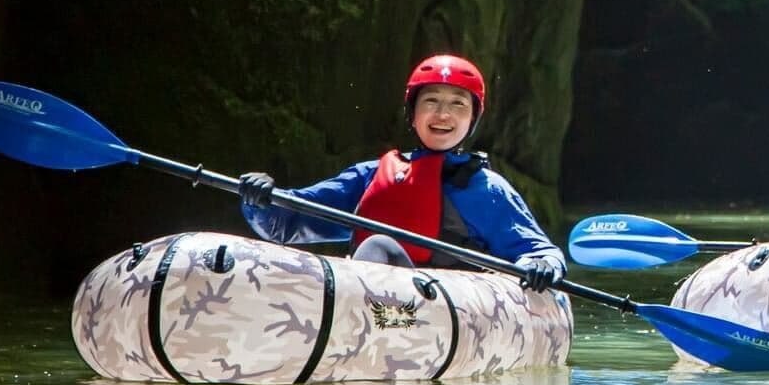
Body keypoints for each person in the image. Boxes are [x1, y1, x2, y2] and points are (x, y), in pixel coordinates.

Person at [236, 54, 565, 292]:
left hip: (451, 313)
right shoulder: (371, 175)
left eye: (457, 104)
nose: (442, 114)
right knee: (379, 247)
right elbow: (287, 223)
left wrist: (541, 267)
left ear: (472, 119)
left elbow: (539, 251)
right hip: (372, 306)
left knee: (378, 245)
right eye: (431, 101)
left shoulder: (488, 189)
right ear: (413, 113)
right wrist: (261, 199)